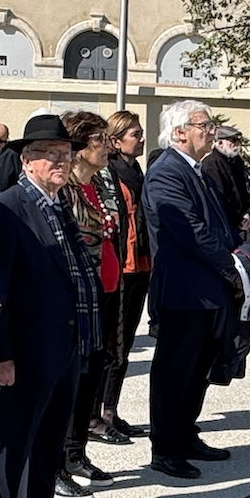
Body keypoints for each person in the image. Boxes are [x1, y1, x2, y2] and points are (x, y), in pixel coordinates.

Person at [0, 113, 99, 498]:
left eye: (66, 155)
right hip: (23, 347)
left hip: (63, 341)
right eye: (50, 155)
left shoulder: (58, 203)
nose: (61, 162)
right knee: (10, 438)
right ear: (26, 160)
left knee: (50, 432)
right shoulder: (7, 208)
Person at [142, 100, 239, 479]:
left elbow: (220, 224)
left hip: (206, 287)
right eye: (204, 124)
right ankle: (165, 447)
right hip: (183, 290)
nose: (212, 130)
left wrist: (236, 251)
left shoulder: (200, 171)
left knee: (198, 368)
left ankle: (185, 433)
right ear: (180, 131)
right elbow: (191, 231)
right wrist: (230, 263)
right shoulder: (167, 172)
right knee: (174, 370)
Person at [57, 111, 122, 498]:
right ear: (80, 147)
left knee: (93, 377)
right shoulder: (64, 188)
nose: (107, 146)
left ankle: (78, 453)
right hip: (80, 297)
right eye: (99, 139)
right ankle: (59, 464)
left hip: (107, 291)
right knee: (74, 383)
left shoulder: (97, 184)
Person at [100, 110, 151, 438]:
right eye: (134, 133)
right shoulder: (110, 173)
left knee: (126, 342)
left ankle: (111, 409)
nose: (141, 138)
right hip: (121, 265)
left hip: (141, 263)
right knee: (112, 342)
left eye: (141, 132)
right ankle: (99, 413)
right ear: (116, 141)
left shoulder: (136, 171)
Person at [200, 123, 250, 236]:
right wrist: (237, 218)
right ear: (220, 143)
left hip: (241, 223)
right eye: (232, 141)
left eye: (238, 140)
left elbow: (243, 190)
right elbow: (220, 196)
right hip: (224, 226)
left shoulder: (236, 162)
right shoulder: (210, 164)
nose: (236, 144)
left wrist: (247, 213)